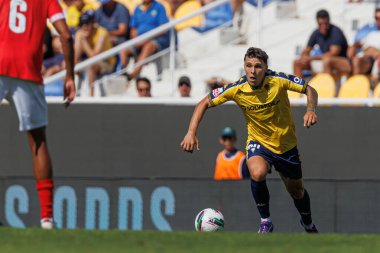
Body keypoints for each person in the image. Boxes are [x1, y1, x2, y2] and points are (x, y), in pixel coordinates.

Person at [181, 47, 319, 233]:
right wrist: (191, 131)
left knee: (297, 192)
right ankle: (266, 221)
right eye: (248, 66)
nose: (252, 71)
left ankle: (308, 223)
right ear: (244, 67)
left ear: (265, 68)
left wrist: (310, 109)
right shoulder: (237, 89)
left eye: (257, 66)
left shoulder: (278, 80)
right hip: (259, 143)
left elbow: (310, 89)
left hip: (286, 146)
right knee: (257, 172)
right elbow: (204, 102)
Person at [0, 0, 76, 229]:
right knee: (38, 141)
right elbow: (66, 35)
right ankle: (46, 219)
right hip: (28, 69)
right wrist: (70, 75)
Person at [293, 9, 350, 80]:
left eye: (326, 24)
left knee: (327, 61)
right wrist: (304, 57)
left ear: (329, 22)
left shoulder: (336, 31)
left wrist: (311, 58)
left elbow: (333, 53)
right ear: (317, 23)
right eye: (321, 24)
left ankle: (327, 89)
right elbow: (307, 50)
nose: (324, 27)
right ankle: (299, 88)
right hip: (325, 61)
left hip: (342, 62)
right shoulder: (316, 32)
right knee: (297, 62)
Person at [124, 0, 170, 80]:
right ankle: (121, 73)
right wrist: (136, 40)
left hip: (156, 40)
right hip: (140, 41)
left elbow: (163, 29)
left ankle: (134, 73)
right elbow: (133, 29)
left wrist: (144, 40)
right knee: (123, 50)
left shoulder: (159, 7)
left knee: (148, 46)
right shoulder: (137, 9)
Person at [74, 11, 116, 96]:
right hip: (88, 60)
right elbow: (75, 58)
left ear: (93, 23)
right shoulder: (80, 33)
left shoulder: (102, 32)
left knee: (91, 66)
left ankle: (91, 96)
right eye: (82, 24)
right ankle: (71, 94)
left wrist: (84, 41)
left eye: (87, 23)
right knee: (67, 65)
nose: (84, 26)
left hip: (106, 62)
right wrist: (79, 40)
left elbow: (94, 56)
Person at [348, 8, 380, 82]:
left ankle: (356, 87)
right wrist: (353, 47)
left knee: (356, 61)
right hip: (363, 55)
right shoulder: (372, 33)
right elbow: (360, 43)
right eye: (377, 18)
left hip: (372, 59)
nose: (378, 20)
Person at [95, 0, 130, 66]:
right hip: (103, 38)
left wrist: (106, 34)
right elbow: (95, 26)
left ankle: (122, 69)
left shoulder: (121, 9)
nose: (104, 4)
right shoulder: (100, 10)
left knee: (121, 47)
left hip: (120, 39)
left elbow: (122, 30)